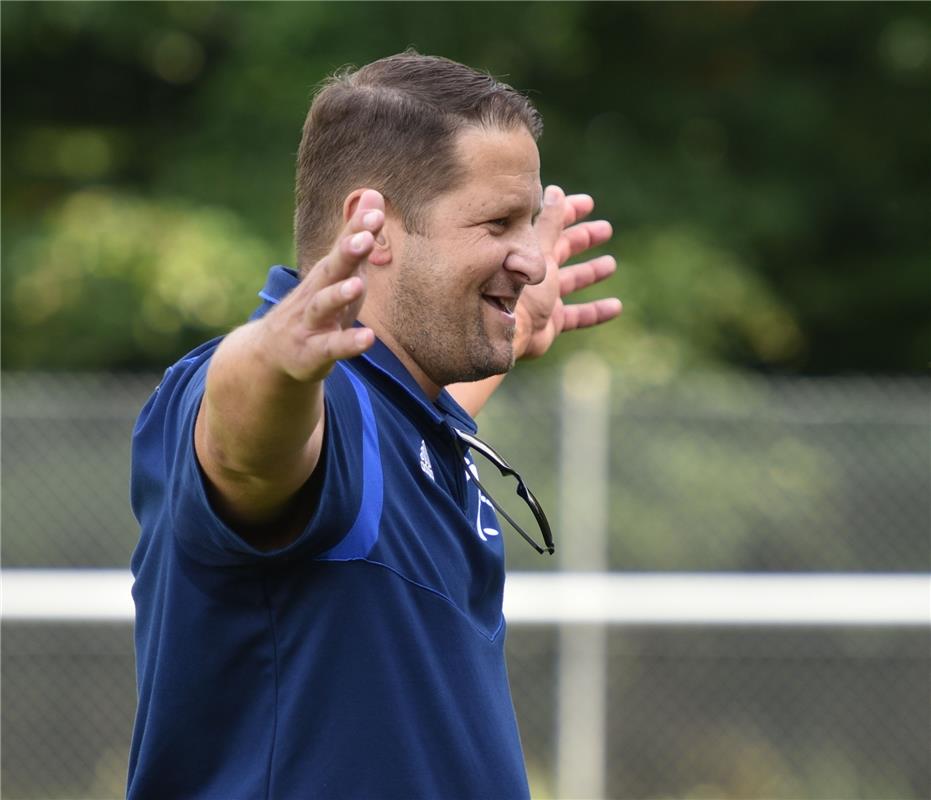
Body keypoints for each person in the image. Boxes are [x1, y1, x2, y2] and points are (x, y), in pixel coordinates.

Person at [128, 51, 621, 800]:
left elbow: (401, 445)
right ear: (376, 228)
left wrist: (510, 329)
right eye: (496, 223)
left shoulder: (403, 419)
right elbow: (247, 450)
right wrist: (269, 359)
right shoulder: (302, 399)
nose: (526, 258)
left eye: (527, 224)